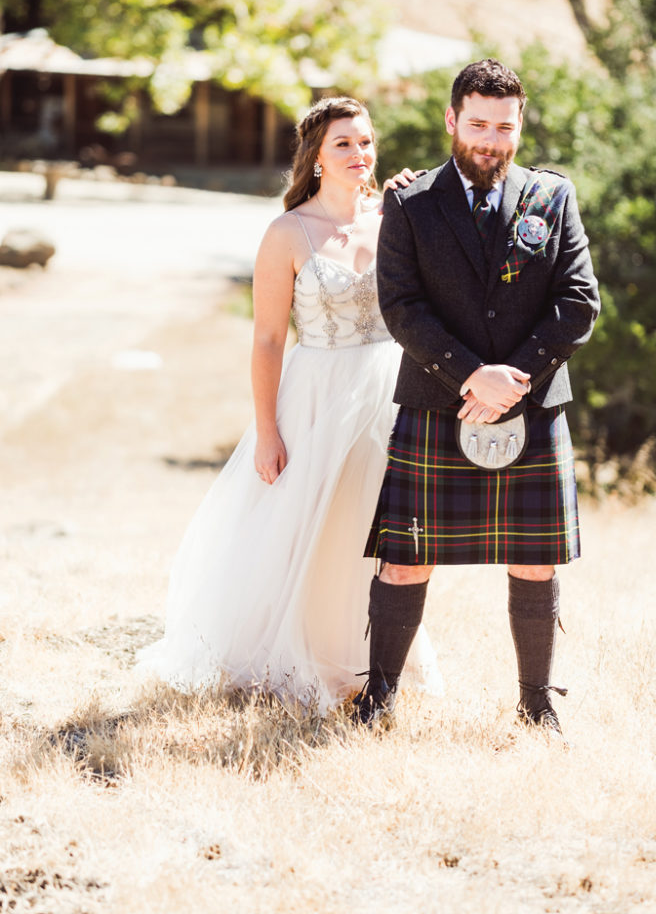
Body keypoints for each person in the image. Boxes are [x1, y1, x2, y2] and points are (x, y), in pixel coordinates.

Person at [137, 96, 441, 712]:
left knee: (379, 532)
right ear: (317, 158)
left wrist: (415, 199)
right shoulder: (286, 233)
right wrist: (267, 430)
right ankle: (292, 658)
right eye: (344, 144)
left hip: (390, 394)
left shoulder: (396, 219)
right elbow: (269, 339)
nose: (361, 154)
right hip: (316, 399)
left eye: (366, 142)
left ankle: (375, 666)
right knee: (308, 526)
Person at [355, 59, 600, 736]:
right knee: (404, 559)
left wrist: (511, 378)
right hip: (438, 400)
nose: (489, 140)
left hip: (530, 401)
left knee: (536, 557)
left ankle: (536, 703)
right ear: (451, 121)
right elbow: (400, 307)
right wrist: (469, 376)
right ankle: (379, 700)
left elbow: (578, 302)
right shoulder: (409, 202)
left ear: (519, 124)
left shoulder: (551, 196)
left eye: (503, 126)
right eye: (477, 124)